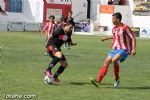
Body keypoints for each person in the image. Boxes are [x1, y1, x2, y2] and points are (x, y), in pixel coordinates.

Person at [90, 12, 136, 87]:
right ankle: (98, 80)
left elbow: (133, 37)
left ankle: (117, 79)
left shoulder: (125, 28)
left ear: (118, 19)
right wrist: (106, 38)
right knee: (106, 62)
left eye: (113, 19)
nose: (112, 20)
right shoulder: (114, 28)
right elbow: (115, 36)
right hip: (115, 49)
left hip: (124, 49)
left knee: (114, 60)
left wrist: (133, 49)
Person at [44, 20, 75, 85]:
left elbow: (69, 42)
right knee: (59, 55)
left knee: (65, 64)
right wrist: (46, 47)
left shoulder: (69, 33)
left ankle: (55, 77)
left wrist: (74, 44)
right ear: (66, 25)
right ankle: (48, 70)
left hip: (57, 48)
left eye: (72, 28)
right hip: (51, 45)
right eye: (70, 27)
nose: (71, 29)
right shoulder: (60, 30)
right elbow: (50, 36)